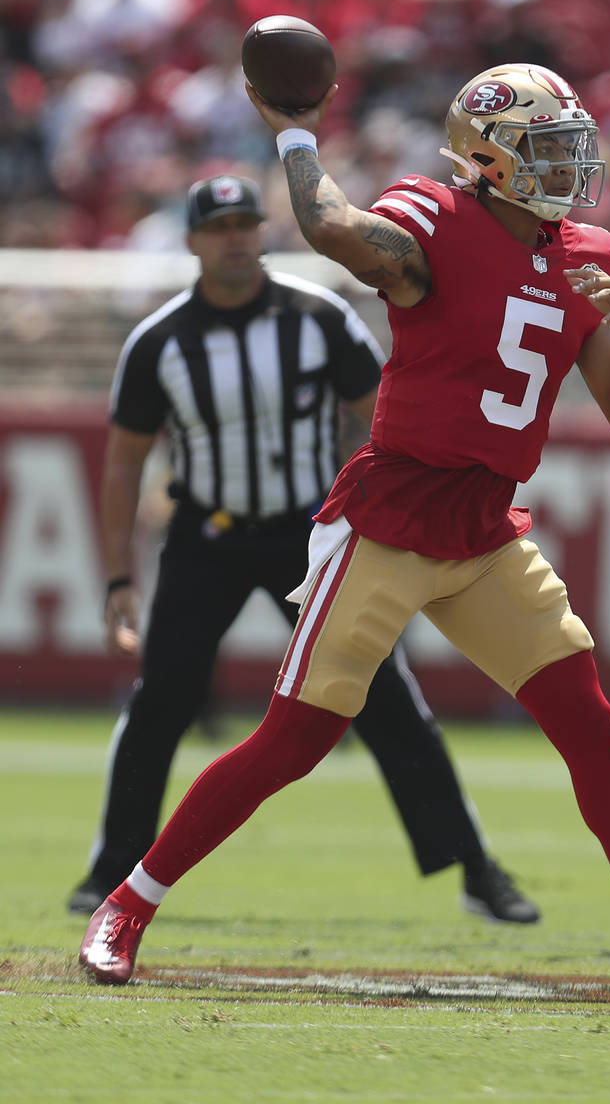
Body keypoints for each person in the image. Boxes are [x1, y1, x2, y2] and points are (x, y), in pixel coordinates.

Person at [80, 63, 610, 997]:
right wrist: (297, 136)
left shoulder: (594, 253)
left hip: (485, 527)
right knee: (295, 740)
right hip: (390, 517)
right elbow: (333, 228)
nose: (567, 165)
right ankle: (127, 904)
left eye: (569, 145)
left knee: (587, 722)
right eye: (544, 148)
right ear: (486, 160)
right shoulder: (436, 217)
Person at [68, 172, 539, 926]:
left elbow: (389, 415)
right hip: (207, 535)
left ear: (263, 231)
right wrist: (119, 575)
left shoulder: (317, 317)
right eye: (220, 228)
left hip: (307, 535)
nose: (236, 239)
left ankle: (475, 869)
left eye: (247, 224)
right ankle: (111, 870)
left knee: (387, 698)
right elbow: (125, 461)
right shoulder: (159, 339)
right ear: (191, 242)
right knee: (163, 700)